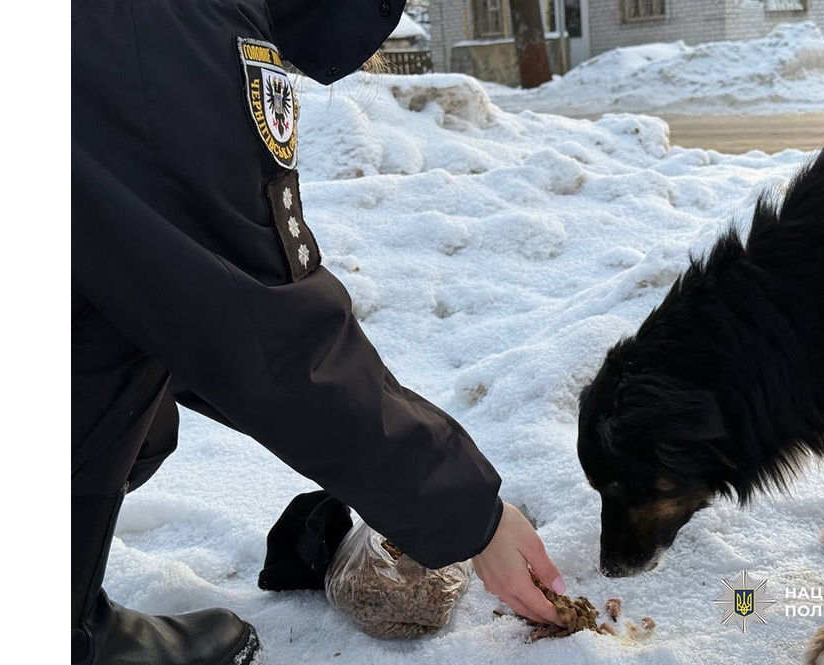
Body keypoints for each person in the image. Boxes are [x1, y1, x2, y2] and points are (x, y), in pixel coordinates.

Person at [71, 1, 565, 663]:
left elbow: (189, 301)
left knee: (130, 362)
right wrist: (469, 513)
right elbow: (261, 327)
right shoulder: (162, 24)